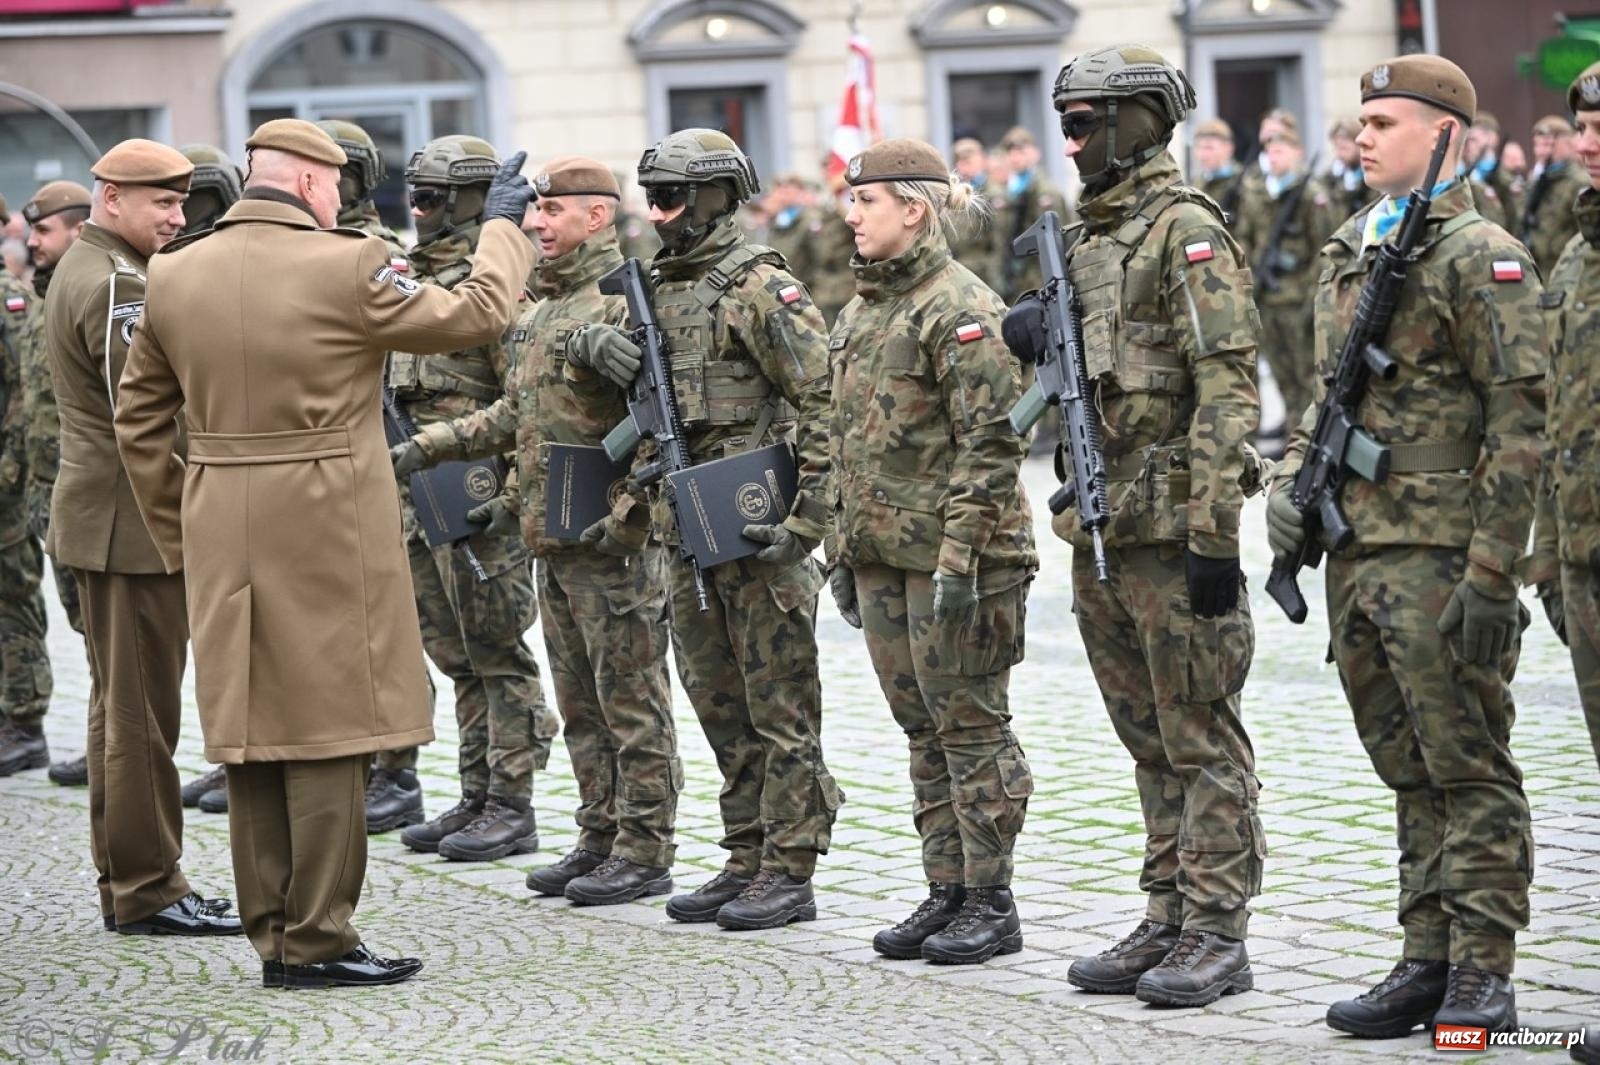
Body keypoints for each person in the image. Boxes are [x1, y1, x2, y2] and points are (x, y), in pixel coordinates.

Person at [114, 118, 536, 988]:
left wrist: (184, 521)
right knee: (334, 728)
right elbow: (475, 314)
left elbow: (141, 421)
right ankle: (316, 937)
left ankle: (271, 929)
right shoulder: (345, 265)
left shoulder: (173, 272)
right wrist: (500, 227)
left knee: (251, 728)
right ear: (313, 183)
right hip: (327, 517)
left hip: (222, 518)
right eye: (338, 183)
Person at [1266, 56, 1544, 1037]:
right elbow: (1320, 396)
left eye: (1385, 121)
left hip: (1438, 550)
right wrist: (1287, 489)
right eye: (1361, 120)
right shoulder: (1353, 248)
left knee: (1464, 760)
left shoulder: (1482, 255)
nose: (1362, 136)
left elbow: (1521, 423)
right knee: (1404, 762)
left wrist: (1490, 569)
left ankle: (1482, 968)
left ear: (1445, 135)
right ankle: (1424, 954)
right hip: (1359, 552)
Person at [1008, 44, 1266, 1007]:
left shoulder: (1184, 231)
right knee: (1146, 738)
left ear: (1138, 121)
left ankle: (1215, 928)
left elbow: (1227, 388)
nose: (1069, 142)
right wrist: (1032, 326)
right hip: (1103, 526)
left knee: (1200, 734)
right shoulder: (1090, 238)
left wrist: (1215, 536)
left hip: (1171, 536)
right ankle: (1164, 910)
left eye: (1083, 123)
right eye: (1065, 123)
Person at [566, 128, 841, 930]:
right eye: (651, 197)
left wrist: (808, 520)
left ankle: (790, 866)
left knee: (780, 706)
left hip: (757, 524)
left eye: (674, 195)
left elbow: (825, 403)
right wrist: (596, 350)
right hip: (683, 527)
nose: (658, 211)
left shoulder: (757, 288)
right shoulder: (652, 290)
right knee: (718, 699)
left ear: (719, 194)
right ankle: (746, 850)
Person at [392, 156, 682, 906]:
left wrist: (629, 520)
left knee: (632, 701)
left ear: (597, 216)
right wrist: (431, 446)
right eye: (535, 212)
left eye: (552, 213)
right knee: (581, 701)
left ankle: (645, 847)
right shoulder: (541, 310)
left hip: (610, 542)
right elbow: (518, 420)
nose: (537, 224)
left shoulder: (623, 303)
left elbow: (662, 423)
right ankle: (598, 833)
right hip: (551, 532)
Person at [827, 138, 1037, 965]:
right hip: (885, 555)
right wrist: (844, 550)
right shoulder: (861, 310)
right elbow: (843, 439)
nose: (850, 216)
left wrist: (959, 558)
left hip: (964, 559)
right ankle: (945, 887)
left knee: (971, 726)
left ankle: (992, 897)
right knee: (922, 727)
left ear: (912, 209)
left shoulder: (960, 308)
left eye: (865, 202)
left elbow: (992, 446)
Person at [46, 138, 241, 936]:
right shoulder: (121, 284)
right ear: (110, 196)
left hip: (104, 518)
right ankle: (148, 886)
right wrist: (186, 521)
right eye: (161, 202)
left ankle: (131, 877)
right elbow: (148, 419)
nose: (176, 217)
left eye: (181, 202)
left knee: (117, 711)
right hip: (132, 526)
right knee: (139, 720)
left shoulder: (83, 267)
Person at [388, 135, 557, 863]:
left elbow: (526, 402)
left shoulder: (494, 284)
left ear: (465, 204)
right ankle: (476, 791)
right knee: (453, 649)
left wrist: (510, 495)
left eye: (430, 199)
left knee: (497, 649)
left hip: (479, 491)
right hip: (419, 490)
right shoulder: (412, 282)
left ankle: (511, 801)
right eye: (413, 196)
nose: (417, 210)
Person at [313, 117, 436, 836]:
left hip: (380, 445)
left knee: (382, 623)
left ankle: (397, 769)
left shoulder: (378, 253)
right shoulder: (309, 249)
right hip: (333, 452)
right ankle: (354, 757)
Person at [1530, 59, 1600, 773]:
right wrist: (1549, 553)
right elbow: (1559, 418)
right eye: (1583, 127)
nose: (1588, 143)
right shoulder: (1577, 260)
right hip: (1583, 557)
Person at [18, 181, 91, 787]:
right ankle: (107, 741)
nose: (32, 242)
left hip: (87, 489)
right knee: (83, 624)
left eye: (44, 232)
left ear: (77, 229)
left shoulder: (93, 292)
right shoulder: (40, 300)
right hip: (45, 487)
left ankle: (121, 746)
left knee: (106, 627)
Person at [1233, 128, 1340, 437]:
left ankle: (1306, 442)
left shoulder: (1309, 194)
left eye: (1281, 150)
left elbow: (1324, 248)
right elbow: (1245, 239)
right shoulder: (1260, 193)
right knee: (1281, 377)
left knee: (1307, 377)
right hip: (1267, 299)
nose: (1274, 157)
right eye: (1270, 151)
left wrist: (1311, 298)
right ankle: (1293, 439)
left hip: (1297, 302)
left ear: (1297, 153)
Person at [0, 194, 50, 778]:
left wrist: (10, 469)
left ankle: (26, 718)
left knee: (13, 595)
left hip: (6, 479)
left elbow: (24, 388)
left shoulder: (9, 299)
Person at [995, 126, 1071, 303]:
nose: (1015, 158)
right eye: (1011, 152)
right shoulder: (1007, 193)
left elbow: (1061, 238)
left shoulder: (1046, 193)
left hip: (1039, 279)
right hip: (1014, 280)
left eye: (1021, 151)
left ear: (1035, 153)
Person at [1523, 114, 1585, 278]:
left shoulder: (1578, 182)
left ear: (1569, 144)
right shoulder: (1538, 181)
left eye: (1548, 144)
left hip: (1565, 271)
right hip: (1536, 269)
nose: (1541, 151)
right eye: (1537, 145)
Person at [1191, 119, 1243, 227]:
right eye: (1199, 148)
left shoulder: (1244, 183)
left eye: (1209, 148)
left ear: (1228, 148)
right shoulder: (1197, 184)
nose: (1202, 155)